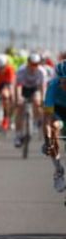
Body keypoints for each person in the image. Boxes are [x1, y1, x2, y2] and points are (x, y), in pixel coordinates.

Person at [42, 62, 66, 192]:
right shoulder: (52, 86)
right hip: (58, 112)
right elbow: (47, 118)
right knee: (53, 127)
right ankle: (58, 170)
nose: (65, 86)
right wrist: (47, 140)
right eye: (64, 82)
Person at [14, 53, 46, 148]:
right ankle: (18, 135)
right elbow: (18, 86)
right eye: (32, 64)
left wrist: (42, 98)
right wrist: (19, 97)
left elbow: (42, 87)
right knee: (20, 108)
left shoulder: (41, 71)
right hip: (23, 89)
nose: (34, 66)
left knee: (37, 101)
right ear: (28, 63)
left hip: (35, 88)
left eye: (36, 64)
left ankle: (36, 121)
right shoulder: (21, 70)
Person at [0, 53, 15, 131]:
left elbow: (9, 84)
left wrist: (9, 94)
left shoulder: (10, 69)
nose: (0, 69)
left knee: (6, 95)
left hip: (5, 84)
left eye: (2, 67)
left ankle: (6, 116)